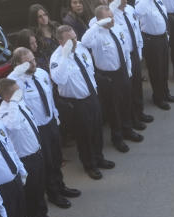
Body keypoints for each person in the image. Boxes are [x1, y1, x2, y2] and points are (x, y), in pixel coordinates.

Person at [7, 47, 82, 209]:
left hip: (50, 122)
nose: (33, 64)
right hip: (37, 129)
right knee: (47, 162)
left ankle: (61, 186)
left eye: (33, 60)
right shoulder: (15, 82)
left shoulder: (41, 73)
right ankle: (54, 193)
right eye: (28, 62)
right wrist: (17, 72)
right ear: (18, 65)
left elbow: (49, 97)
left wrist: (55, 116)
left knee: (56, 157)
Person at [0, 78, 59, 217]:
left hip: (36, 152)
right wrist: (14, 103)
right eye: (17, 91)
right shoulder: (6, 111)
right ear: (8, 96)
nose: (20, 92)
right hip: (25, 159)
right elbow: (13, 125)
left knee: (39, 188)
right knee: (32, 193)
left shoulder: (19, 103)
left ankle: (43, 216)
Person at [50, 25, 115, 180]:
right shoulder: (57, 59)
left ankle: (99, 158)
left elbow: (89, 70)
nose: (74, 41)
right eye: (70, 40)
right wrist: (65, 56)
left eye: (74, 37)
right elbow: (59, 79)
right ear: (61, 42)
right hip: (77, 103)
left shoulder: (80, 47)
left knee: (97, 129)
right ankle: (90, 165)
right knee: (84, 136)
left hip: (91, 97)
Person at [81, 6, 144, 153]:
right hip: (108, 77)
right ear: (99, 20)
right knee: (113, 109)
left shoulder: (117, 29)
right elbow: (84, 42)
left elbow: (126, 49)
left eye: (112, 17)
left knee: (126, 103)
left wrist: (128, 70)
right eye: (108, 18)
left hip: (122, 72)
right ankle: (117, 138)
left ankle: (128, 130)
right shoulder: (96, 35)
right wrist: (97, 25)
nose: (112, 20)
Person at [109, 0, 154, 124]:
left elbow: (136, 30)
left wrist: (139, 50)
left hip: (134, 53)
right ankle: (132, 118)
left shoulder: (129, 9)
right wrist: (111, 8)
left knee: (137, 85)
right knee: (127, 90)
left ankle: (140, 112)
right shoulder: (110, 14)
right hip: (123, 58)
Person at [135, 0, 174, 111]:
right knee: (156, 70)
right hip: (152, 40)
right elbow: (134, 16)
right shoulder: (142, 3)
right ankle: (158, 98)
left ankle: (165, 93)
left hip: (162, 38)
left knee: (164, 68)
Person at [29, 4, 61, 69]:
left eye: (45, 15)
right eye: (40, 17)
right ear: (35, 19)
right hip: (51, 66)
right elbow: (37, 56)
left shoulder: (55, 26)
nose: (44, 18)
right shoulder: (34, 35)